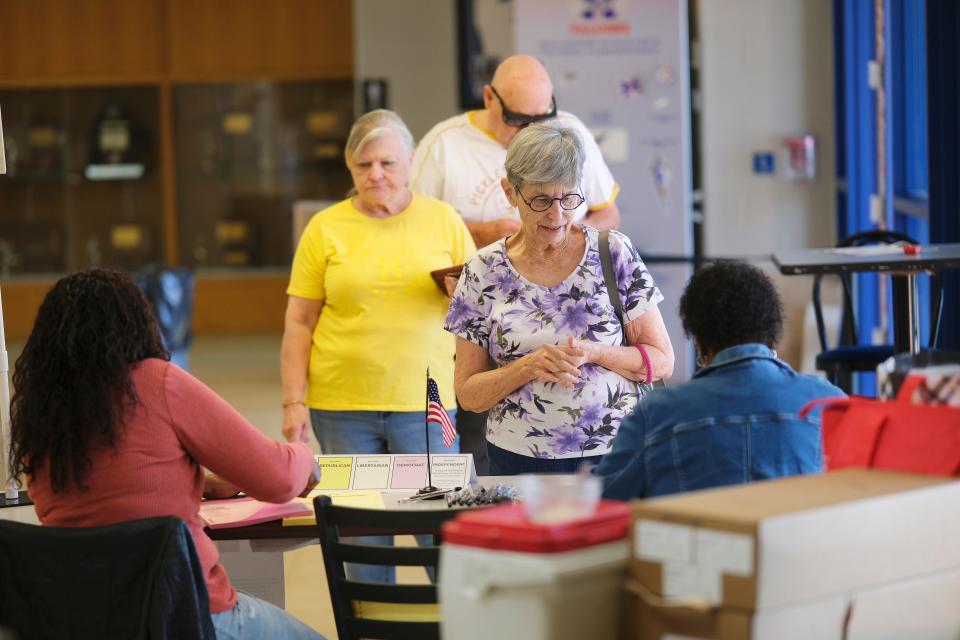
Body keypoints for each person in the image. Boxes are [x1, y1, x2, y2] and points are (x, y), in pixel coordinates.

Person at [9, 268, 324, 640]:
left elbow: (109, 490)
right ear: (136, 324)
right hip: (184, 615)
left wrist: (198, 483)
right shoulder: (157, 381)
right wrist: (306, 457)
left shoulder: (41, 410)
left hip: (84, 620)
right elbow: (278, 478)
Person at [281, 109, 475, 582]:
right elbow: (299, 321)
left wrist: (460, 296)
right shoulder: (325, 228)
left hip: (424, 403)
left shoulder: (443, 220)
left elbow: (480, 309)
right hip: (342, 406)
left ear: (410, 160)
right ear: (349, 169)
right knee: (363, 545)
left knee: (441, 540)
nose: (376, 175)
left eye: (387, 163)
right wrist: (293, 401)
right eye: (363, 166)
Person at [412, 54, 622, 474]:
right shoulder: (444, 144)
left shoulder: (570, 132)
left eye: (542, 118)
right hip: (477, 314)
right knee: (478, 437)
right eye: (518, 120)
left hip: (570, 326)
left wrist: (562, 244)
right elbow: (414, 229)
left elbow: (608, 215)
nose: (530, 131)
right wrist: (485, 234)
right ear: (489, 98)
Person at [444, 122, 673, 476]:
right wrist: (527, 366)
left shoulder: (613, 252)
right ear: (510, 193)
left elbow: (661, 361)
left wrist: (595, 352)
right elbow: (469, 394)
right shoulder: (482, 271)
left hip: (617, 453)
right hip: (518, 459)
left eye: (568, 199)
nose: (556, 215)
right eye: (540, 200)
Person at [595, 261, 846, 500]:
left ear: (700, 344)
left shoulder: (655, 413)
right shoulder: (829, 402)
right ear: (772, 340)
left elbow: (603, 500)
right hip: (797, 544)